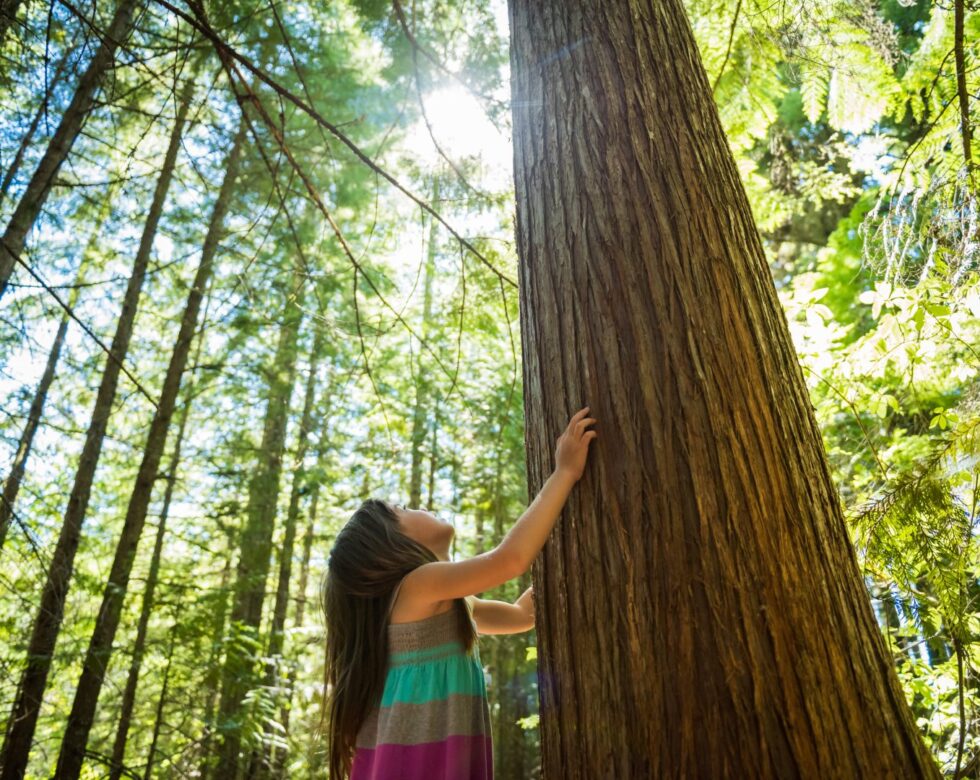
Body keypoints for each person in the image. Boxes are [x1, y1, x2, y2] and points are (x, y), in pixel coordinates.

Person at [320, 406, 598, 779]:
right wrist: (564, 472)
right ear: (389, 545)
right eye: (402, 509)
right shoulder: (416, 586)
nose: (417, 505)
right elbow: (509, 560)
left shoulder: (447, 604)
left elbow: (520, 616)